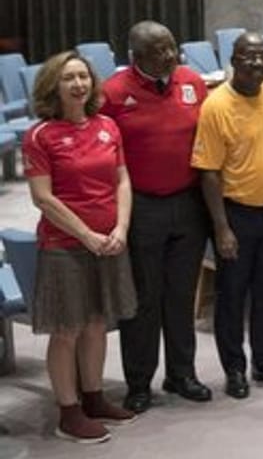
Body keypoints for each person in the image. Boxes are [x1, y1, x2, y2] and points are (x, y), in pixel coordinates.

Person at [23, 51, 138, 443]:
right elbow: (44, 199)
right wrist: (87, 235)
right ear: (53, 86)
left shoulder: (107, 124)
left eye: (84, 77)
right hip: (65, 246)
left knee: (96, 324)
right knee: (67, 329)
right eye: (69, 78)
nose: (79, 85)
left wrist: (121, 227)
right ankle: (68, 413)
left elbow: (122, 180)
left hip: (109, 241)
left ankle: (94, 398)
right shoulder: (40, 135)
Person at [100, 21, 211, 412]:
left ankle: (182, 373)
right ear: (135, 57)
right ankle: (139, 381)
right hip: (142, 205)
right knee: (145, 298)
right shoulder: (113, 93)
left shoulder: (192, 82)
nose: (169, 56)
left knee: (181, 295)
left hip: (188, 202)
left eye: (172, 47)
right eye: (159, 50)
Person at [192, 32, 263, 399]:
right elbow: (208, 172)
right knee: (232, 297)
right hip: (234, 215)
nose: (257, 63)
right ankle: (234, 369)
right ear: (233, 61)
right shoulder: (216, 106)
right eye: (248, 56)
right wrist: (221, 228)